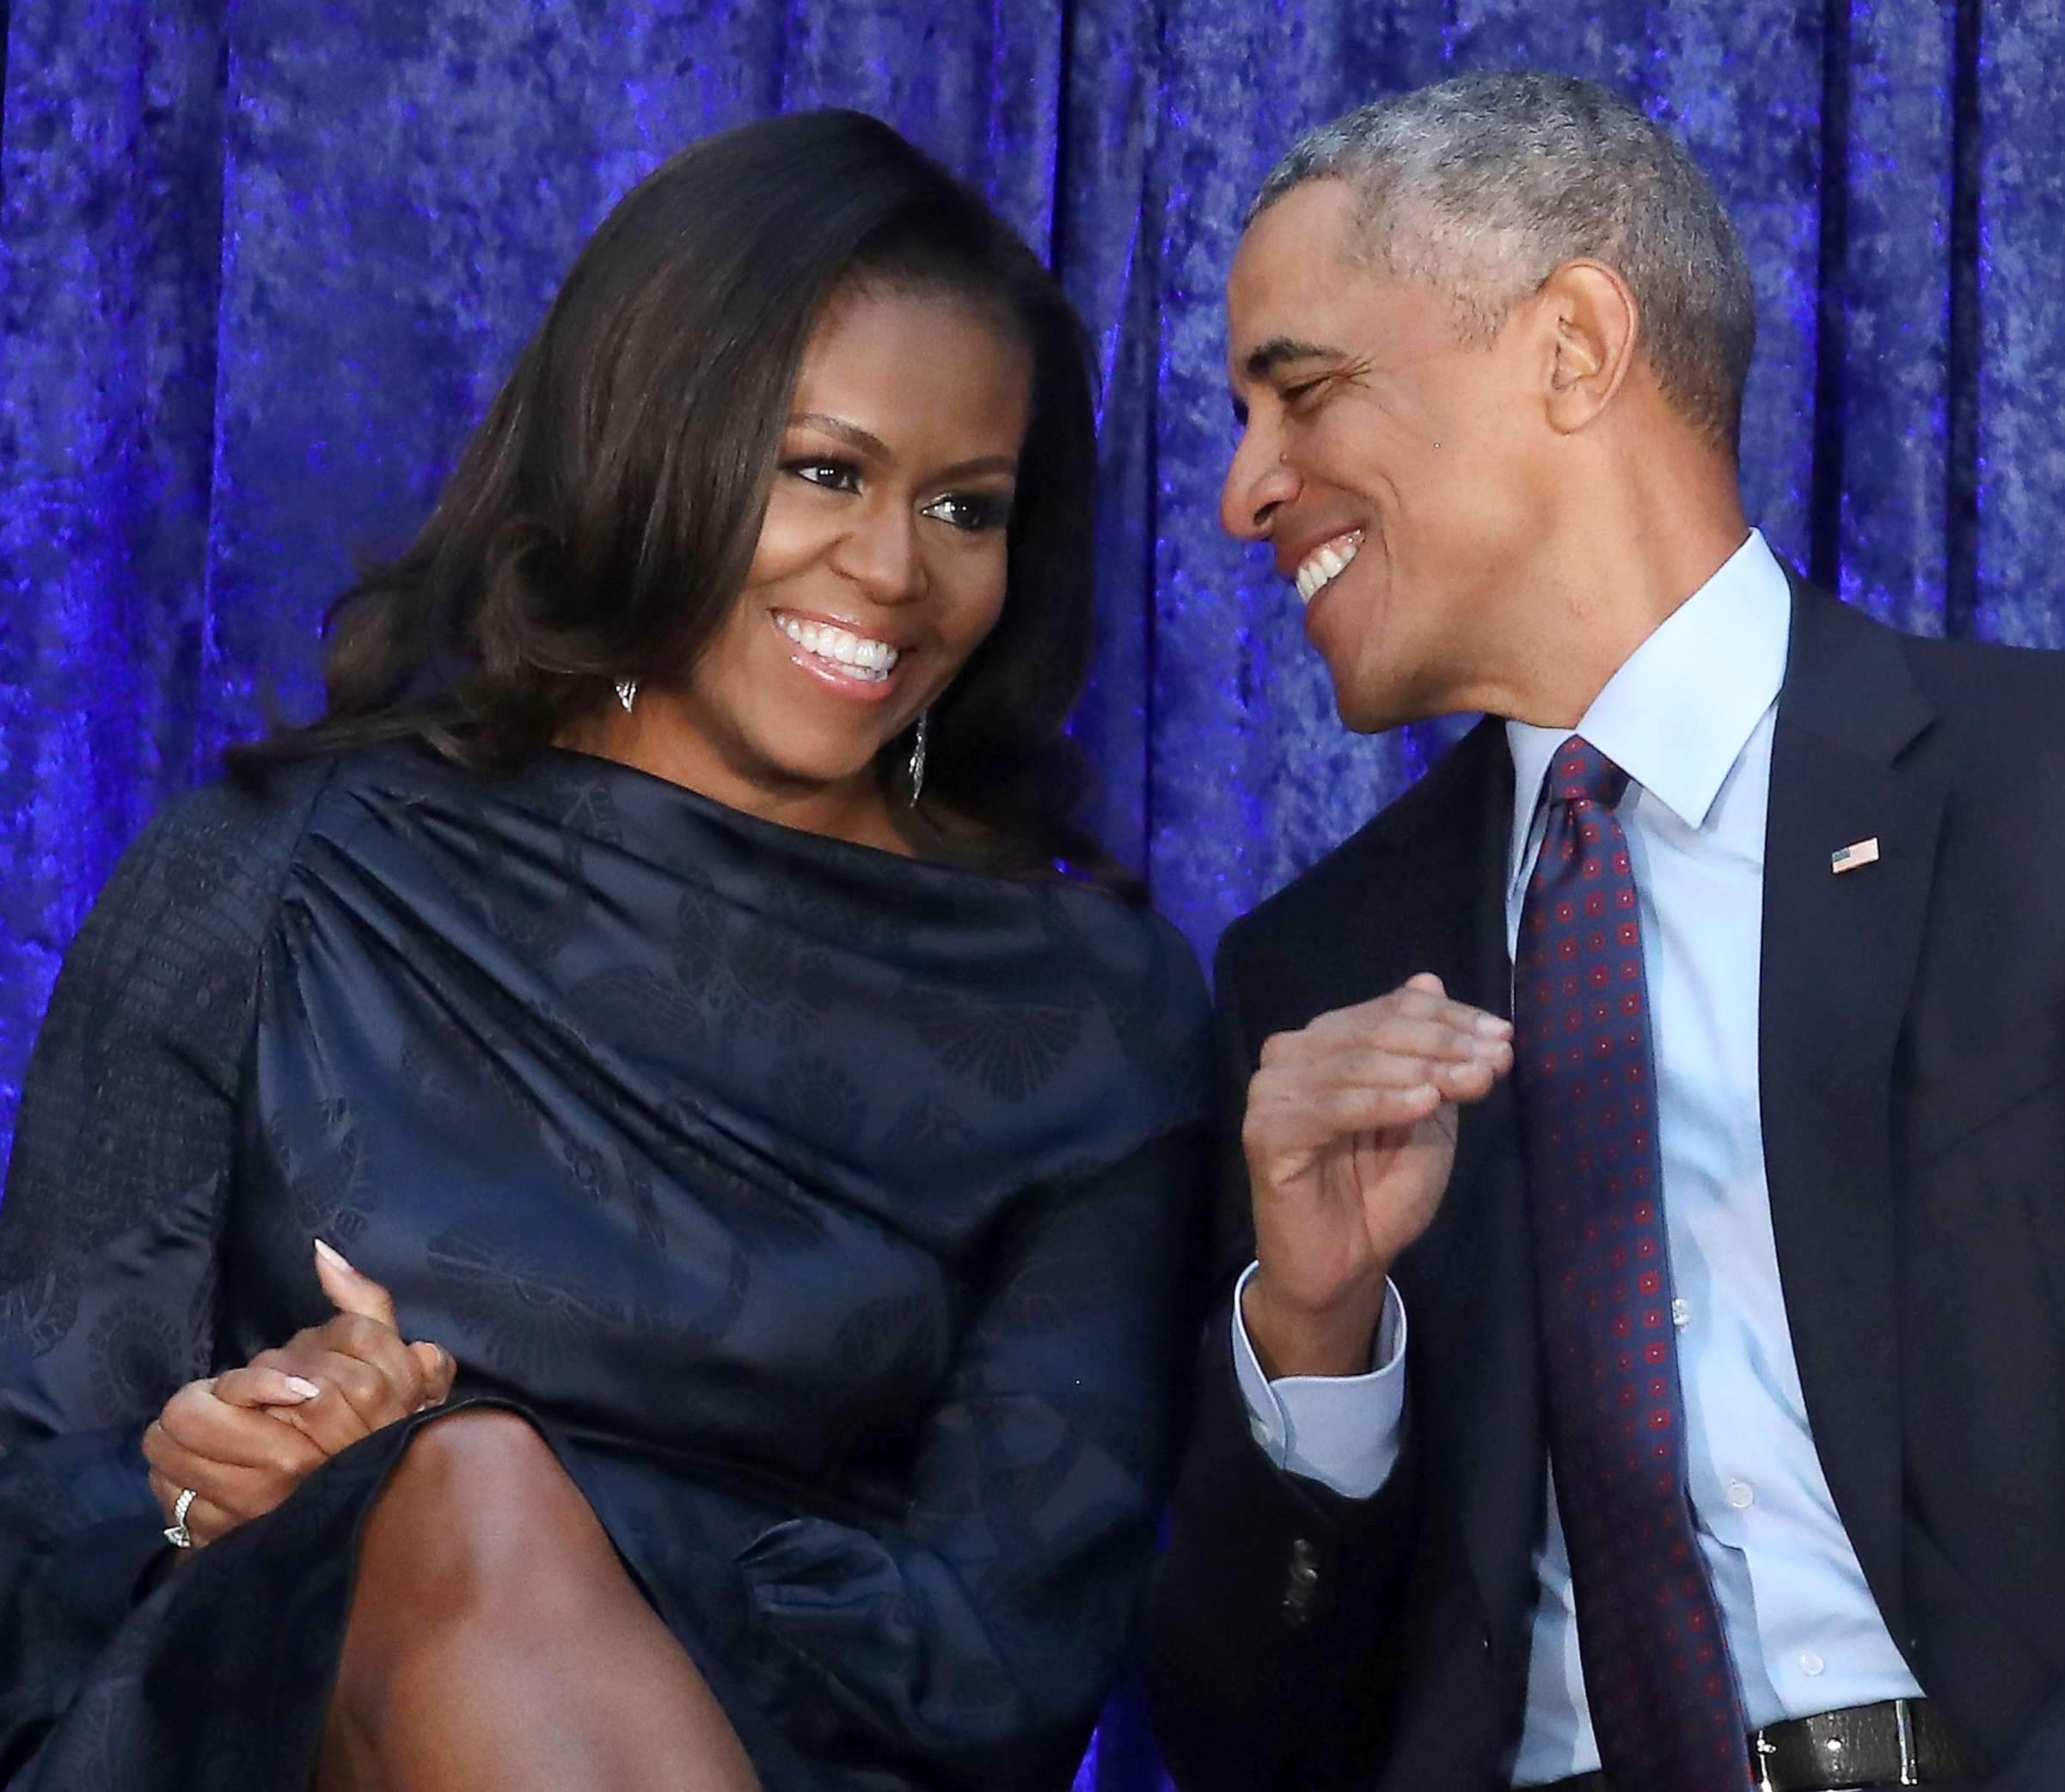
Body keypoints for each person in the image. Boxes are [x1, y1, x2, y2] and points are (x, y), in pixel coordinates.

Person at [0, 108, 1212, 1792]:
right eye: (825, 468)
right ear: (653, 438)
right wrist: (245, 1480)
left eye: (968, 505)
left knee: (471, 1484)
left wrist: (445, 1466)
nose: (889, 568)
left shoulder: (1096, 1016)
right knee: (466, 1500)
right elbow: (49, 1513)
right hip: (254, 1748)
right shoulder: (270, 874)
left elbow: (1007, 1661)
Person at [1143, 70, 2065, 1792]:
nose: (1242, 491)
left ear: (1573, 345)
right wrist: (1317, 1336)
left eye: (1304, 392)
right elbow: (1248, 1735)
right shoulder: (1317, 974)